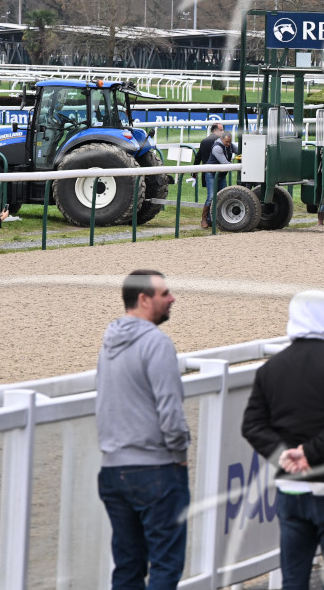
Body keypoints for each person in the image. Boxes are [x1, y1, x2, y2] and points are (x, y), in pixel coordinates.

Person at [242, 291, 324, 590]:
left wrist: (285, 455)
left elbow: (252, 425)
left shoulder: (271, 368)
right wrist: (311, 453)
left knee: (293, 577)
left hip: (291, 488)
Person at [97, 270, 190, 590]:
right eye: (164, 293)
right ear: (143, 299)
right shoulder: (156, 343)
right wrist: (180, 454)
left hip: (113, 470)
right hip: (155, 469)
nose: (172, 298)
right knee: (166, 563)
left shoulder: (108, 342)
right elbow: (170, 410)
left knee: (127, 566)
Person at [204, 131, 235, 228]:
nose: (228, 144)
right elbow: (225, 163)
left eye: (230, 142)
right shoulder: (217, 148)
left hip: (221, 174)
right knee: (211, 197)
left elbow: (240, 150)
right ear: (221, 139)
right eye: (226, 142)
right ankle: (204, 219)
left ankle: (218, 219)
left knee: (224, 196)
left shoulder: (230, 145)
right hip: (211, 174)